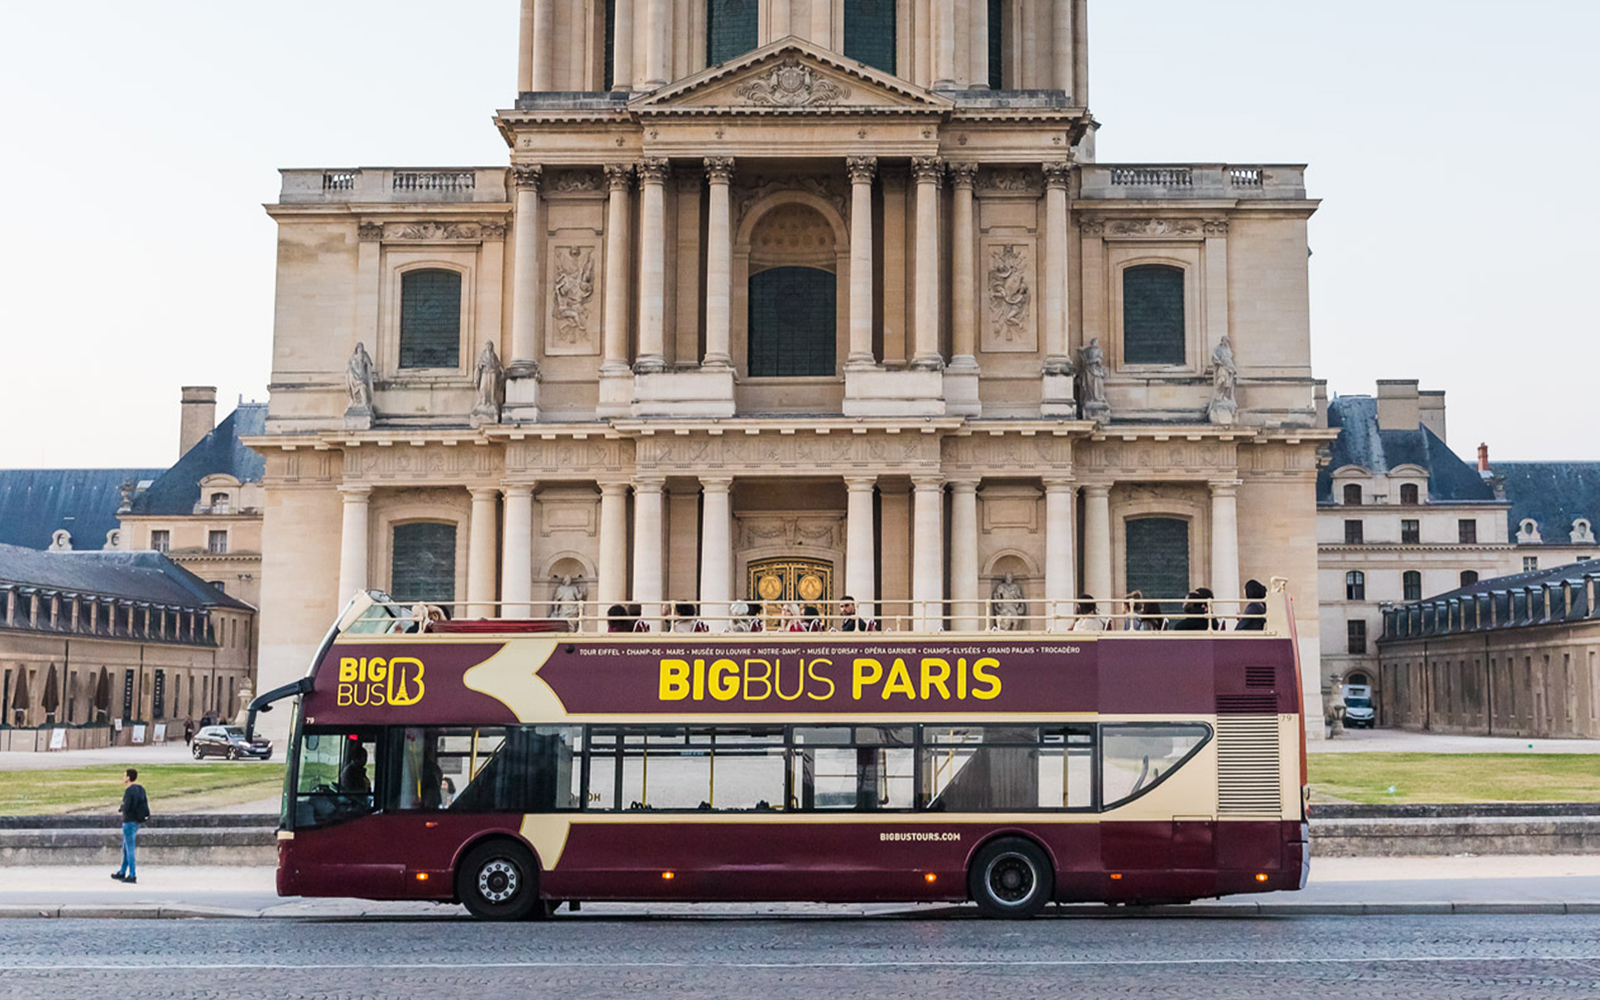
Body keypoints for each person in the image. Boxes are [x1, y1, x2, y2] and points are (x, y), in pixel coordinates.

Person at [111, 768, 149, 884]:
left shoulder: (129, 791)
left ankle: (132, 874)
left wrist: (121, 808)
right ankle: (122, 871)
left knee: (129, 848)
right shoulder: (141, 789)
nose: (123, 778)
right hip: (138, 821)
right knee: (125, 847)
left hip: (129, 822)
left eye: (124, 776)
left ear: (128, 778)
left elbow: (127, 806)